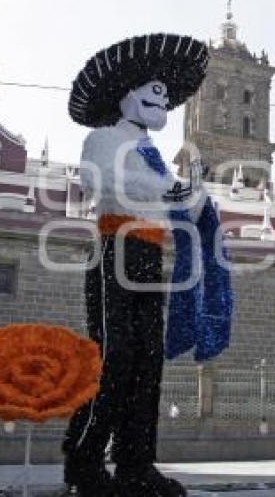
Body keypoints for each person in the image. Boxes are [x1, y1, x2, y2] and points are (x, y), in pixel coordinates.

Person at [63, 33, 233, 497]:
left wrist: (194, 196)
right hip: (113, 248)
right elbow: (101, 182)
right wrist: (167, 190)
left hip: (148, 256)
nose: (161, 99)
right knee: (113, 357)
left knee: (147, 363)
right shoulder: (103, 139)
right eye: (153, 90)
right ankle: (84, 460)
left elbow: (183, 205)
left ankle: (136, 463)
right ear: (127, 94)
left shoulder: (157, 159)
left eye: (165, 93)